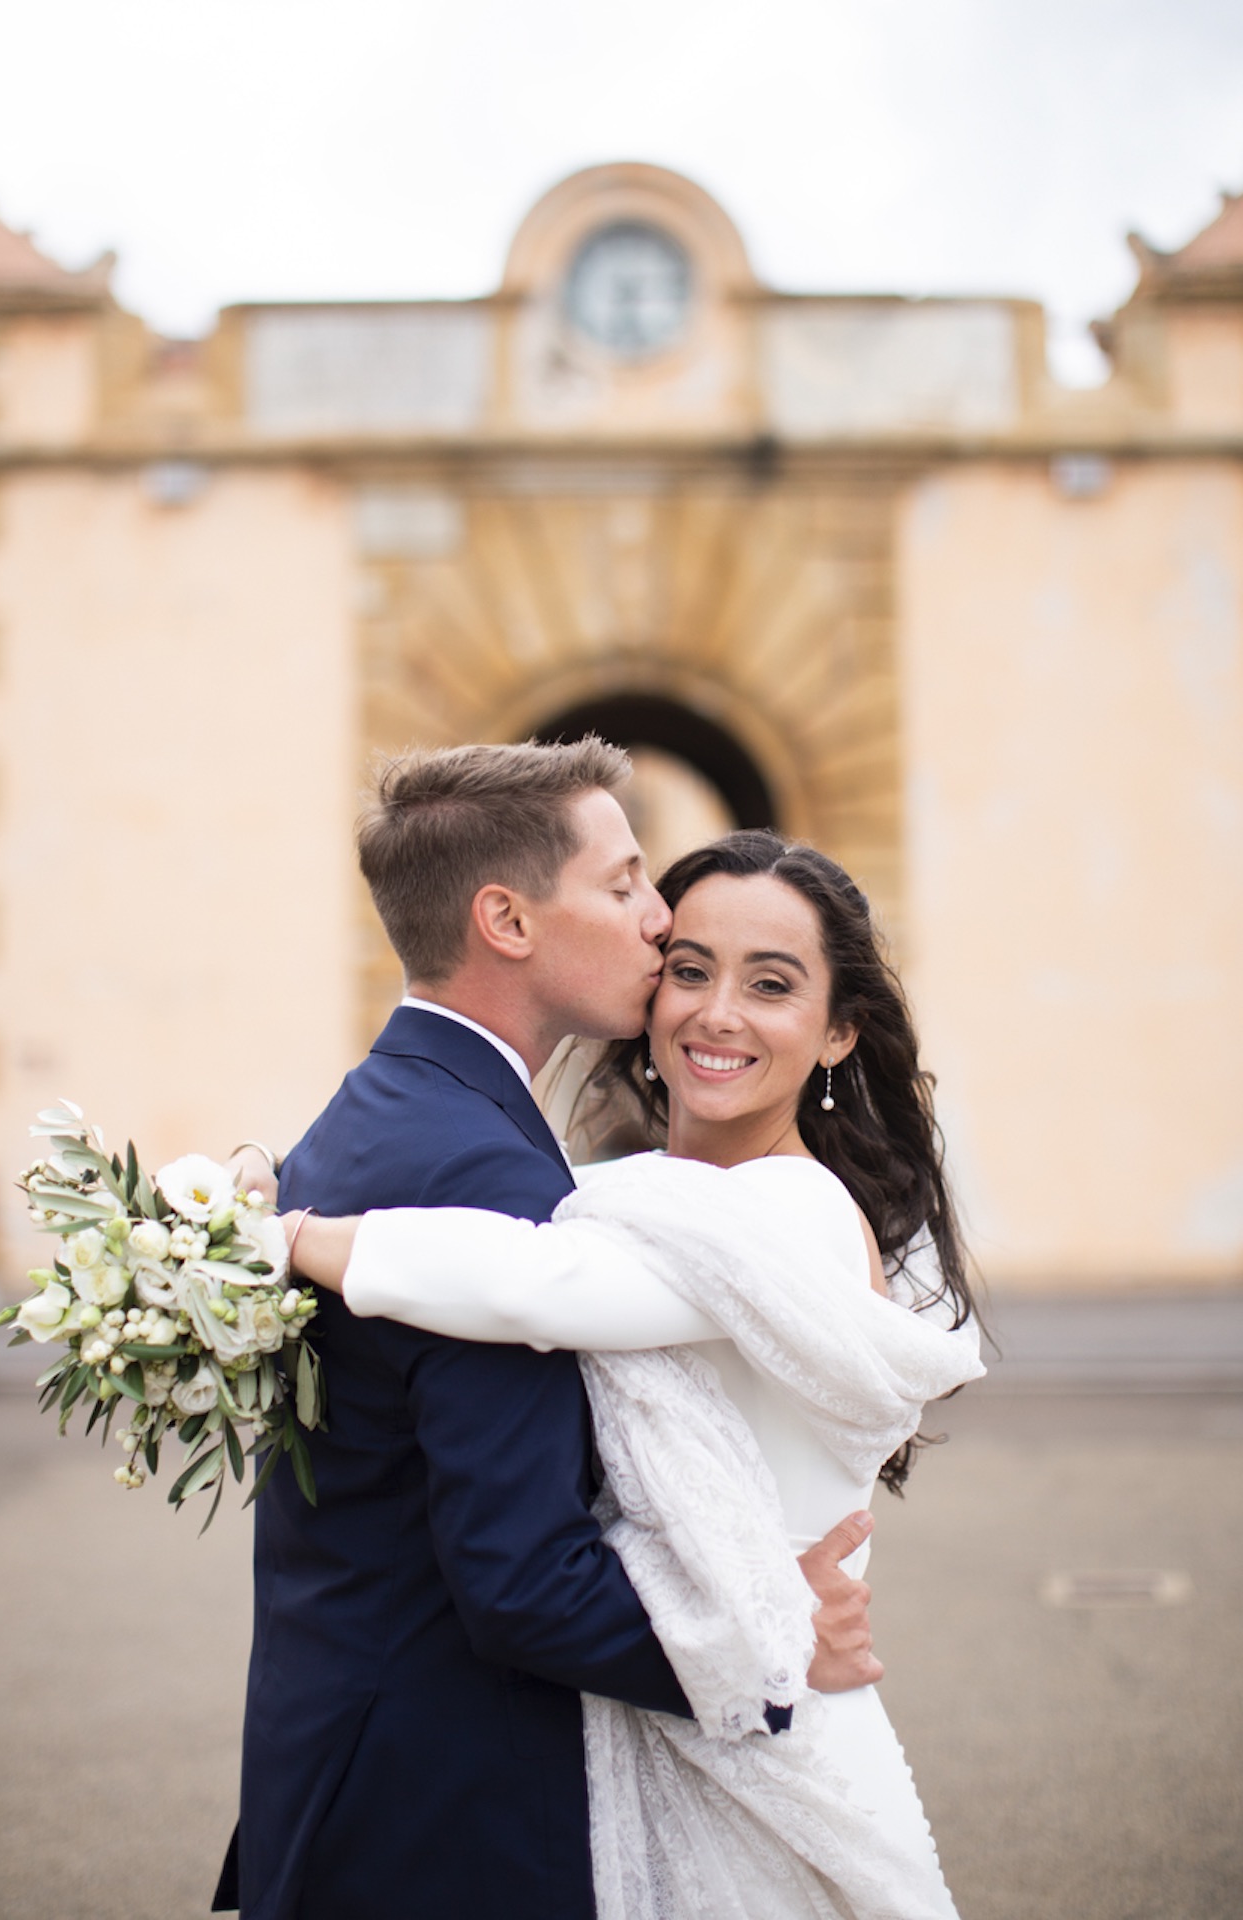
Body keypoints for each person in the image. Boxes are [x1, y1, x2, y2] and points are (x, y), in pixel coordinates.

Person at [213, 745, 880, 1920]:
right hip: (438, 1818)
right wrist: (775, 1644)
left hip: (340, 1758)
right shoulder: (475, 1165)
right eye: (622, 884)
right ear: (507, 920)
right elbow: (521, 1583)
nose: (656, 914)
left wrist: (283, 1222)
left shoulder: (380, 1109)